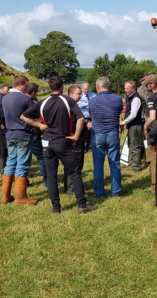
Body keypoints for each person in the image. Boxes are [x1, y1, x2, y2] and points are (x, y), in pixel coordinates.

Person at [22, 75, 97, 214]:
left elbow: (23, 116)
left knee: (51, 176)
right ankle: (82, 205)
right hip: (64, 141)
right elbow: (81, 118)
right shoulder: (68, 100)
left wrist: (38, 125)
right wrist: (76, 136)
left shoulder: (43, 102)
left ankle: (56, 207)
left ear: (50, 87)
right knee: (75, 173)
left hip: (47, 143)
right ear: (62, 87)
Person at [2, 75, 39, 205]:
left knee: (11, 162)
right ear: (20, 84)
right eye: (26, 85)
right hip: (23, 134)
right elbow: (35, 115)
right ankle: (20, 197)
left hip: (10, 134)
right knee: (22, 164)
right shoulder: (25, 99)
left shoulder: (5, 98)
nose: (28, 87)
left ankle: (5, 196)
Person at [88, 76, 123, 198]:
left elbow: (91, 115)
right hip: (113, 133)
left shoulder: (92, 100)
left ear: (98, 87)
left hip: (97, 133)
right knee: (115, 164)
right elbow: (119, 113)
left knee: (98, 165)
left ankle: (99, 192)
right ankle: (115, 191)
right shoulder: (118, 99)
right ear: (109, 86)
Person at [25, 83, 47, 187]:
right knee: (41, 157)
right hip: (33, 134)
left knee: (23, 159)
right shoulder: (32, 103)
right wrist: (42, 125)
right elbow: (35, 117)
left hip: (23, 134)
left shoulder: (21, 100)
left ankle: (23, 181)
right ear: (33, 92)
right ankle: (46, 180)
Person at [65, 84, 85, 194]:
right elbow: (75, 121)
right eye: (79, 93)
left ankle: (70, 187)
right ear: (71, 94)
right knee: (75, 163)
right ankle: (71, 188)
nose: (81, 96)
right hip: (73, 138)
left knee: (71, 163)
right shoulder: (70, 105)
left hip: (72, 137)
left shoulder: (71, 104)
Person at [121, 80, 144, 172]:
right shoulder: (131, 97)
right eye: (125, 89)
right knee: (131, 144)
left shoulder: (136, 98)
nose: (125, 90)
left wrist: (123, 123)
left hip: (136, 125)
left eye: (127, 88)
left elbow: (133, 114)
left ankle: (136, 167)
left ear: (133, 88)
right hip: (133, 125)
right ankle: (133, 164)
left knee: (135, 146)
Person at [78, 82, 95, 153]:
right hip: (83, 117)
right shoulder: (79, 96)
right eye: (85, 89)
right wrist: (87, 104)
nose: (86, 91)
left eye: (87, 89)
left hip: (90, 117)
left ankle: (90, 147)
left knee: (90, 132)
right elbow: (78, 104)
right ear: (82, 89)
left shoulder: (92, 95)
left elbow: (96, 101)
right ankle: (84, 148)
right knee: (84, 133)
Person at [0, 104, 8, 174]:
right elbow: (3, 118)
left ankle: (3, 170)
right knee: (10, 152)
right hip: (4, 131)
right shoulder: (4, 108)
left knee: (3, 152)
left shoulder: (1, 108)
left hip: (1, 131)